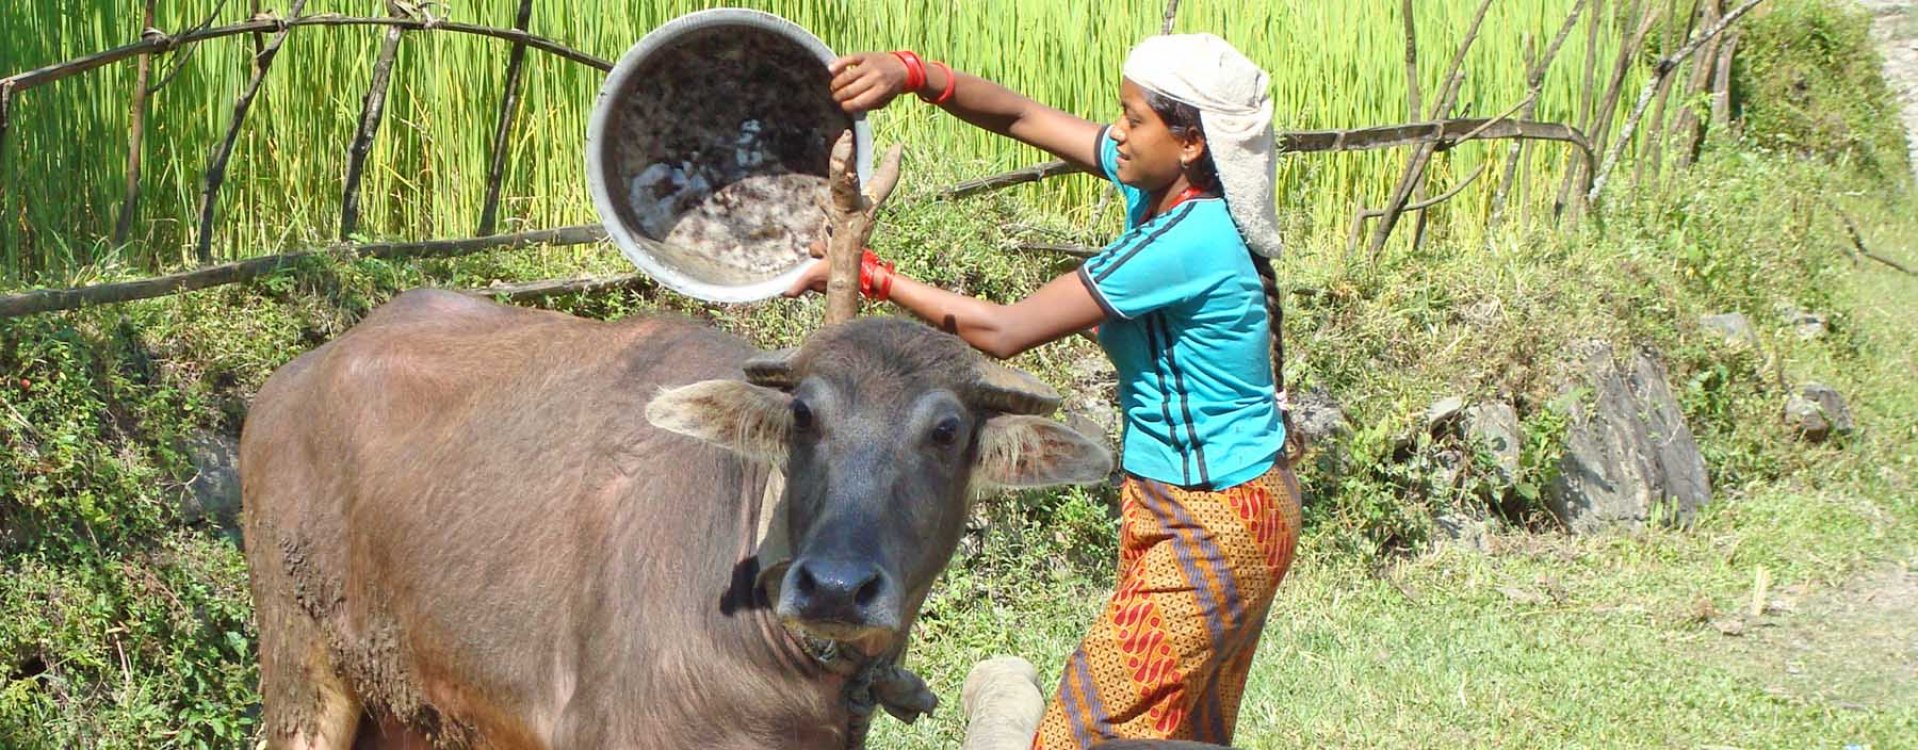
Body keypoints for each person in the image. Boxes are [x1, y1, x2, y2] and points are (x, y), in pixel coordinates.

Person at [786, 35, 1303, 748]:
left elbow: (1002, 331)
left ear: (1190, 143)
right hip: (1202, 504)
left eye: (1133, 118)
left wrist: (873, 277)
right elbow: (1023, 118)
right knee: (1181, 729)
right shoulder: (1156, 187)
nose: (1116, 132)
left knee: (1080, 734)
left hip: (1215, 522)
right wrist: (915, 73)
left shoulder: (1190, 239)